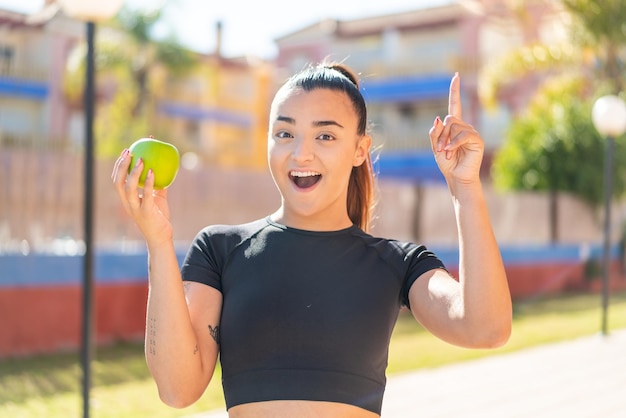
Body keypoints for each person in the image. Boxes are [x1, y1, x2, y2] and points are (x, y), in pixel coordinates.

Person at [111, 62, 512, 418]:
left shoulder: (397, 263)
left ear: (360, 150)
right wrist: (159, 242)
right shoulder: (220, 249)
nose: (301, 154)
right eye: (285, 133)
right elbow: (177, 389)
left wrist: (464, 187)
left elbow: (486, 328)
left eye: (325, 137)